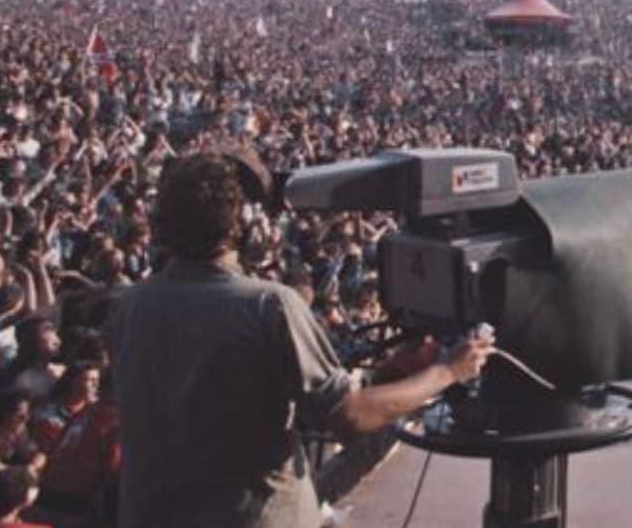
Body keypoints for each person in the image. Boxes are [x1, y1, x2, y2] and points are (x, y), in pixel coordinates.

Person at [105, 153, 493, 528]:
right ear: (243, 223)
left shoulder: (131, 304)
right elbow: (350, 417)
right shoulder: (267, 305)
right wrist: (449, 370)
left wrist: (391, 375)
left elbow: (221, 402)